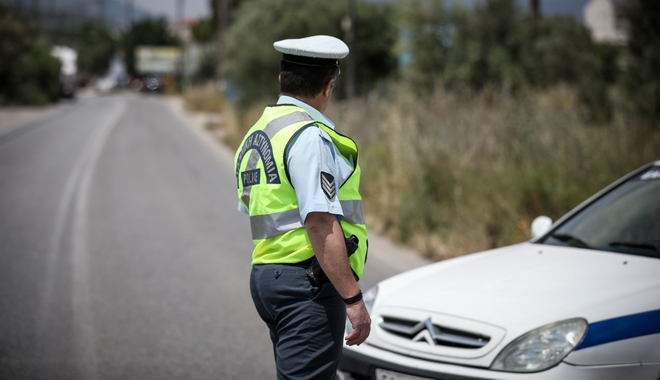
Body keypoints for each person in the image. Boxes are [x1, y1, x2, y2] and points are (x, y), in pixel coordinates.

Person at [234, 35, 371, 379]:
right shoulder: (309, 136)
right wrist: (353, 300)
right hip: (305, 284)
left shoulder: (258, 133)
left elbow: (257, 211)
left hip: (267, 277)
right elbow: (320, 224)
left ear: (282, 79)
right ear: (328, 86)